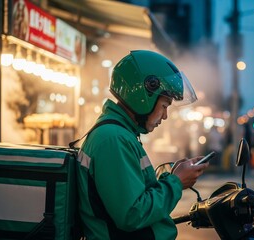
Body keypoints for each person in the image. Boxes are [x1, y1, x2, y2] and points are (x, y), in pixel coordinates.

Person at [76, 50, 209, 239]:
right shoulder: (113, 139)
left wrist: (173, 176)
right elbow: (132, 214)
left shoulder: (121, 134)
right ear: (144, 95)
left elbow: (136, 196)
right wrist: (176, 182)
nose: (165, 116)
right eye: (164, 106)